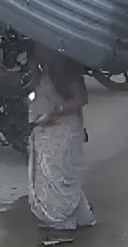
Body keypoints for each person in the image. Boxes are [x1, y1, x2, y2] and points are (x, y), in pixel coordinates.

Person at [27, 42, 96, 231]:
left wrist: (56, 113)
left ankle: (62, 221)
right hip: (55, 130)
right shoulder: (51, 66)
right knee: (63, 178)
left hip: (61, 131)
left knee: (57, 177)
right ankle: (83, 217)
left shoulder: (64, 69)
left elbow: (81, 98)